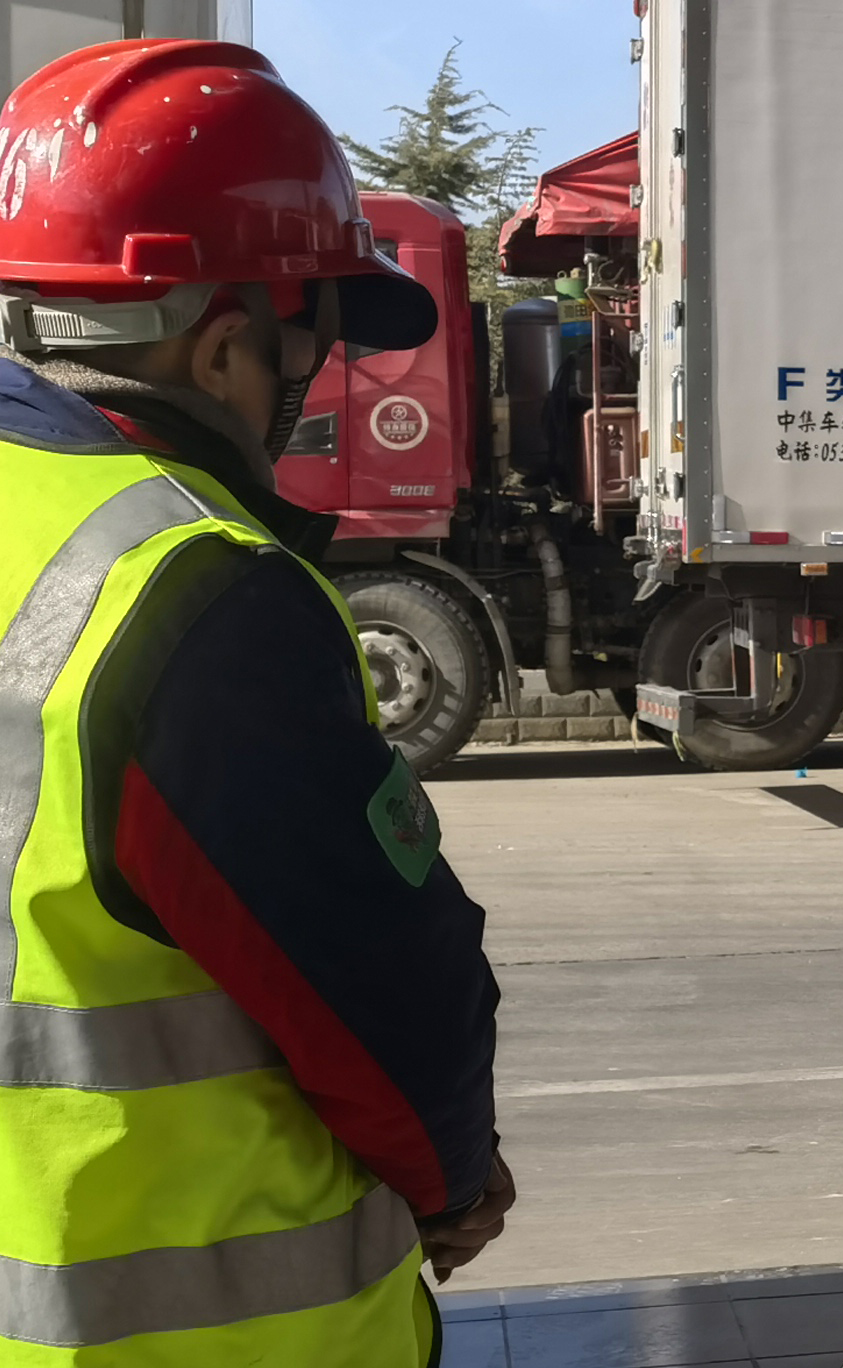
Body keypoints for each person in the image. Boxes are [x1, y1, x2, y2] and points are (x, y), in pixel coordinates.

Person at [0, 40, 506, 1364]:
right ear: (225, 347)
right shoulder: (190, 593)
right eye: (309, 348)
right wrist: (457, 1181)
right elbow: (384, 991)